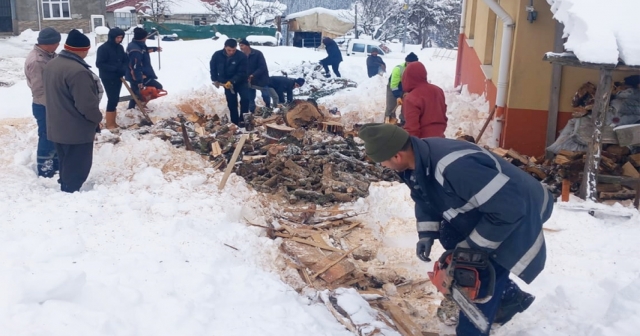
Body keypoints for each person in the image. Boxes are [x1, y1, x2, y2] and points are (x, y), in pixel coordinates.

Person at [357, 123, 550, 336]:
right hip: (493, 207)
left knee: (478, 267)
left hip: (520, 207)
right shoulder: (417, 161)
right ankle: (509, 298)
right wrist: (427, 233)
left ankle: (472, 329)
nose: (384, 166)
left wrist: (472, 249)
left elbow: (510, 210)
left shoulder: (455, 168)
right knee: (451, 238)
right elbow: (425, 196)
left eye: (383, 161)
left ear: (396, 156)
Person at [43, 29, 103, 193]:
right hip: (75, 128)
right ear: (81, 50)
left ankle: (65, 183)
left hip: (56, 123)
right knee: (78, 163)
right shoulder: (78, 71)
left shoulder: (51, 65)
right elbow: (86, 104)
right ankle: (70, 191)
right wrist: (97, 118)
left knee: (65, 159)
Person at [24, 27, 60, 178]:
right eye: (56, 42)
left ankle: (56, 164)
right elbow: (39, 90)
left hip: (53, 103)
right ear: (48, 43)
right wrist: (54, 106)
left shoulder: (49, 55)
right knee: (46, 135)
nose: (58, 45)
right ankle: (44, 168)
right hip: (44, 105)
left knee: (56, 135)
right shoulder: (38, 61)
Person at [401, 61, 448, 138]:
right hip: (440, 139)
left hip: (423, 142)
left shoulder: (411, 98)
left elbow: (412, 129)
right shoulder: (438, 90)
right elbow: (443, 115)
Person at [210, 38, 249, 125]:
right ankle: (234, 122)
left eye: (233, 50)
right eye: (229, 50)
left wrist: (232, 81)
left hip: (241, 82)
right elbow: (213, 68)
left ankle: (243, 120)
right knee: (232, 102)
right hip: (226, 82)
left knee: (245, 99)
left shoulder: (241, 56)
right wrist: (215, 79)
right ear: (224, 47)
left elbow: (242, 72)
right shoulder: (217, 55)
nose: (231, 52)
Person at [96, 27, 128, 130]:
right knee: (112, 98)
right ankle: (109, 123)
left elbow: (125, 59)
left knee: (115, 99)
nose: (119, 40)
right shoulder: (103, 48)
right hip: (108, 77)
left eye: (121, 38)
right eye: (117, 37)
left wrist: (123, 68)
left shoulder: (120, 48)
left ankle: (113, 121)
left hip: (118, 76)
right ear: (112, 37)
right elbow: (99, 63)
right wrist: (114, 69)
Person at [125, 27, 163, 110]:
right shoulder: (135, 50)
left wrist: (155, 49)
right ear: (143, 38)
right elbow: (135, 67)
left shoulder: (137, 44)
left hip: (139, 74)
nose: (146, 38)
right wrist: (139, 80)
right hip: (137, 75)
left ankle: (135, 107)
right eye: (146, 37)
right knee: (156, 87)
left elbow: (145, 50)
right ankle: (135, 107)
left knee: (136, 93)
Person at [238, 38, 275, 112]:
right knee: (250, 97)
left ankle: (268, 108)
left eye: (242, 45)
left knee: (265, 95)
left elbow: (262, 67)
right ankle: (251, 112)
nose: (240, 47)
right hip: (249, 80)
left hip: (261, 79)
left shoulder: (257, 54)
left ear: (247, 46)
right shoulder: (241, 56)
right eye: (239, 46)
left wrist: (253, 75)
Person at [385, 52, 419, 124]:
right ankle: (388, 123)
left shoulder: (417, 70)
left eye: (412, 64)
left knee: (406, 107)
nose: (410, 66)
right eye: (408, 63)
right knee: (391, 107)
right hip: (393, 87)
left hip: (406, 88)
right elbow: (393, 85)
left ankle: (403, 123)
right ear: (406, 62)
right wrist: (397, 96)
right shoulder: (398, 69)